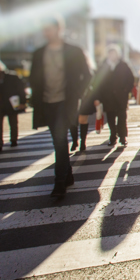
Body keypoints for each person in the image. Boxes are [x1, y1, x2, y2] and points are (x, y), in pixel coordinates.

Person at [30, 16, 91, 198]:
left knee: (60, 140)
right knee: (59, 141)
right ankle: (68, 174)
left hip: (66, 102)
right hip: (47, 102)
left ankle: (59, 182)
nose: (46, 32)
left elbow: (87, 75)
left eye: (49, 28)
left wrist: (77, 95)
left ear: (59, 29)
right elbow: (34, 78)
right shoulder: (39, 53)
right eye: (44, 29)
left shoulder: (74, 51)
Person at [92, 45, 135, 148]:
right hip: (108, 98)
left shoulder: (123, 65)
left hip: (121, 97)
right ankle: (113, 137)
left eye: (114, 53)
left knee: (122, 118)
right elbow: (97, 82)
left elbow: (131, 79)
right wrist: (98, 97)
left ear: (118, 54)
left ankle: (122, 137)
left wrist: (125, 91)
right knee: (111, 119)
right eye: (110, 53)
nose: (112, 55)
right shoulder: (103, 66)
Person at [0, 59, 26, 152]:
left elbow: (20, 89)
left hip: (11, 103)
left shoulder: (11, 76)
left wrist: (22, 102)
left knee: (13, 122)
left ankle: (14, 139)